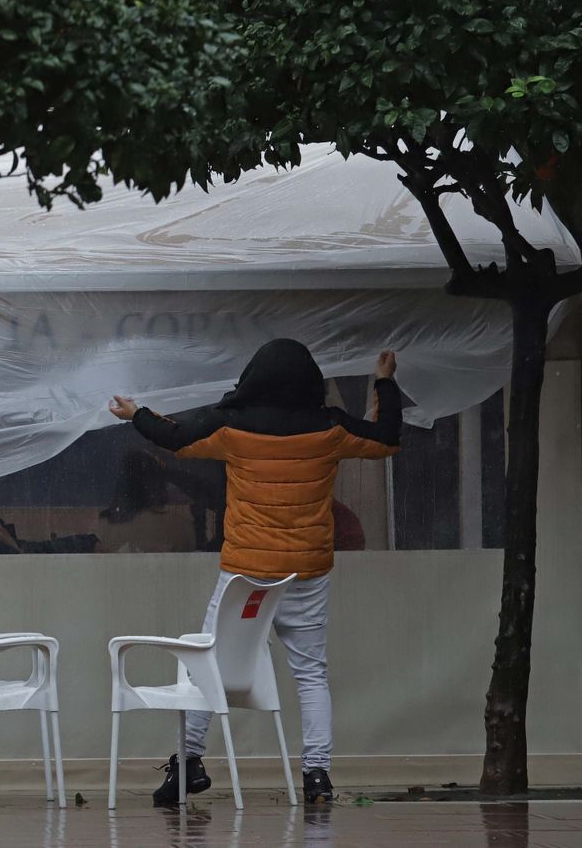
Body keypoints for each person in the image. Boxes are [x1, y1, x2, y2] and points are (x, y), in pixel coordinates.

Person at [109, 339, 402, 806]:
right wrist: (384, 382)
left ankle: (188, 765)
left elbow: (177, 436)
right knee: (311, 674)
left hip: (246, 575)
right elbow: (386, 437)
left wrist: (137, 413)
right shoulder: (331, 429)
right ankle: (318, 776)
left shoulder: (234, 428)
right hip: (306, 574)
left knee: (209, 663)